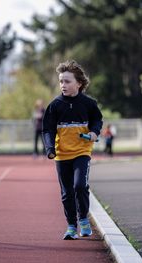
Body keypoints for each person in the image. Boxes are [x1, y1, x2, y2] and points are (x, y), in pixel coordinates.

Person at [42, 60, 103, 240]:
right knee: (67, 192)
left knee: (79, 185)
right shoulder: (55, 105)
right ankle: (71, 226)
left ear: (79, 83)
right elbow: (47, 129)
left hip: (82, 152)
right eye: (61, 81)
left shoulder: (89, 104)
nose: (63, 85)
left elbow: (97, 120)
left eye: (67, 81)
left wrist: (94, 132)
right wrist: (49, 148)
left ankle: (83, 219)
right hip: (61, 155)